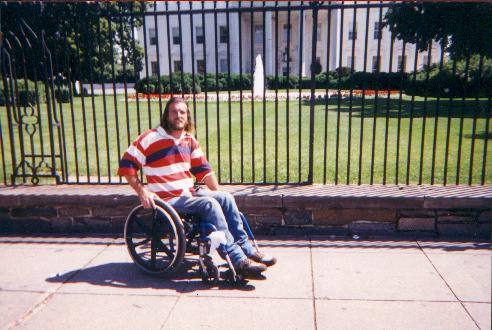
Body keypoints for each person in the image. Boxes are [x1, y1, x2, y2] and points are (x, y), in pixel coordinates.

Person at [118, 97, 276, 277]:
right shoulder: (150, 138)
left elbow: (204, 171)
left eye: (182, 112)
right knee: (209, 204)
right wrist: (142, 191)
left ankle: (247, 248)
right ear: (166, 115)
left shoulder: (189, 140)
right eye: (174, 112)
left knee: (225, 198)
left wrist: (219, 194)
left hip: (189, 194)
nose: (178, 115)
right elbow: (126, 166)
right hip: (168, 199)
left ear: (187, 116)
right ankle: (236, 258)